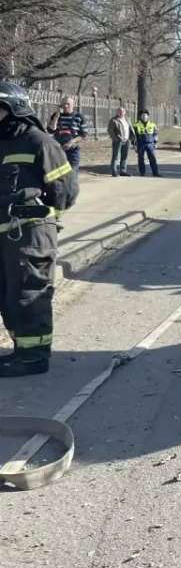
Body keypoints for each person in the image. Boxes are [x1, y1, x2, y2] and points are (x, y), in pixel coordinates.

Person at [0, 81, 78, 377]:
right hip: (7, 235)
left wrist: (39, 214)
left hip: (31, 233)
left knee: (29, 291)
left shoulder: (40, 143)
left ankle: (34, 357)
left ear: (14, 109)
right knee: (9, 294)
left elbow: (65, 191)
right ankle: (21, 350)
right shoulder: (3, 143)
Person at [51, 96, 87, 171]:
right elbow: (51, 130)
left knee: (72, 173)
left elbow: (83, 135)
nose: (65, 106)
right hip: (58, 150)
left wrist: (71, 142)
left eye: (68, 104)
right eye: (63, 104)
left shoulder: (79, 117)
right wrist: (56, 118)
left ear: (73, 105)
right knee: (59, 174)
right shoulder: (55, 116)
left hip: (72, 151)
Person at [134, 109, 161, 177]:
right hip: (140, 143)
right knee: (141, 159)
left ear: (148, 116)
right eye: (142, 115)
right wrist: (134, 144)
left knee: (152, 158)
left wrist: (155, 143)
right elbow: (134, 136)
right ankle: (142, 173)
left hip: (150, 143)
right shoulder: (136, 125)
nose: (144, 117)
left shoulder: (152, 124)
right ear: (140, 116)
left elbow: (155, 134)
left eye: (145, 115)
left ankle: (155, 173)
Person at [107, 107, 132, 177]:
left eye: (122, 111)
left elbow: (130, 128)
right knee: (116, 156)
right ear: (117, 112)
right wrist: (115, 139)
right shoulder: (113, 120)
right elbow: (110, 131)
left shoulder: (127, 119)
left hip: (127, 140)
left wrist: (131, 138)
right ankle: (114, 171)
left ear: (125, 112)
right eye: (119, 111)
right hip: (118, 141)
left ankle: (123, 171)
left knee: (124, 156)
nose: (121, 112)